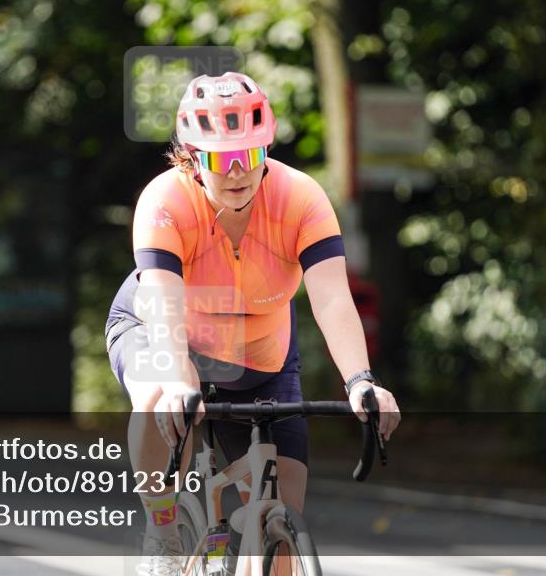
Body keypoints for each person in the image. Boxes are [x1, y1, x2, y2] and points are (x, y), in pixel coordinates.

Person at [105, 72, 401, 575]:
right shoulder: (165, 201)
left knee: (283, 531)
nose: (239, 171)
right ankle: (162, 530)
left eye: (252, 154)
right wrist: (179, 379)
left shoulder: (300, 199)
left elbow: (331, 300)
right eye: (222, 158)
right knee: (159, 390)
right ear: (193, 156)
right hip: (162, 328)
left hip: (260, 354)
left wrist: (360, 380)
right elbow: (162, 302)